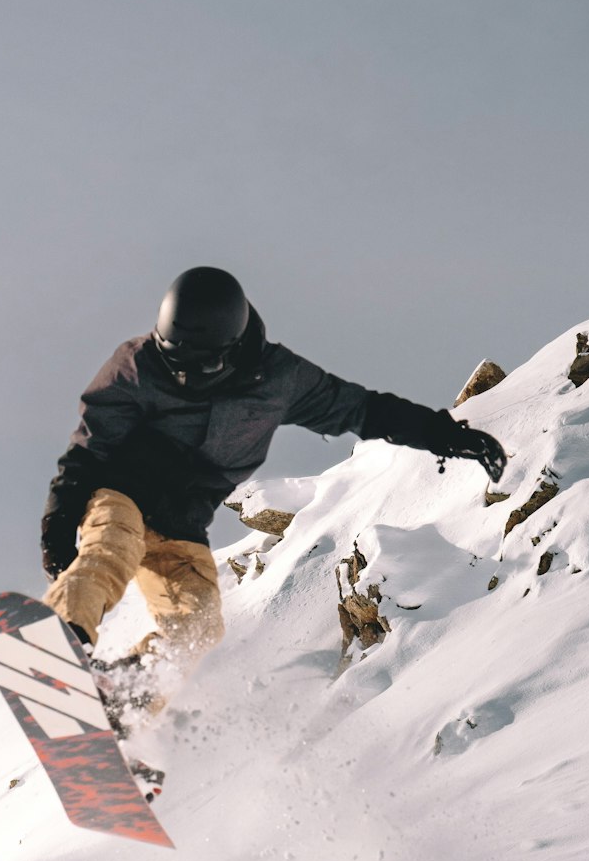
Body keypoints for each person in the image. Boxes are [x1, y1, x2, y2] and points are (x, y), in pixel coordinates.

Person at [41, 266, 506, 682]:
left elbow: (365, 410)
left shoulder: (277, 379)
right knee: (109, 554)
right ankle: (58, 648)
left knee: (197, 626)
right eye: (172, 363)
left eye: (197, 367)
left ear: (231, 350)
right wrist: (59, 523)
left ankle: (126, 697)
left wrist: (443, 434)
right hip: (124, 495)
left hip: (182, 524)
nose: (182, 377)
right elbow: (88, 448)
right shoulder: (138, 364)